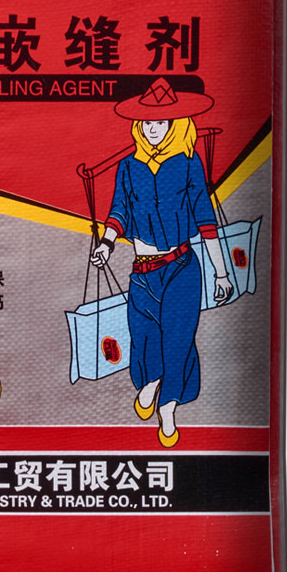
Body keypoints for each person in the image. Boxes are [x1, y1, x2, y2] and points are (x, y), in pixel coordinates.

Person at [91, 77, 233, 447]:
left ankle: (168, 408)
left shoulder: (188, 164)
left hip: (181, 269)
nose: (153, 129)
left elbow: (205, 218)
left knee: (179, 340)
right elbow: (119, 210)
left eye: (161, 123)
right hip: (141, 273)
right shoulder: (128, 166)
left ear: (175, 125)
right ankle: (151, 382)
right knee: (143, 337)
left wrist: (221, 272)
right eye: (147, 123)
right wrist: (106, 244)